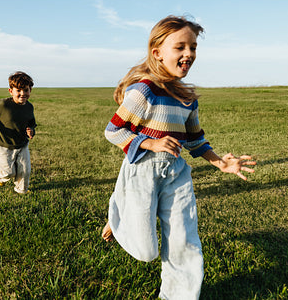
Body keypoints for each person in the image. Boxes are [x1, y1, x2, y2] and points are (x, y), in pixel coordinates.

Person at [101, 16, 255, 299]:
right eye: (180, 47)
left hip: (177, 174)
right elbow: (114, 130)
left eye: (193, 47)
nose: (188, 54)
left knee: (184, 238)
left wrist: (221, 162)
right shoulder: (144, 90)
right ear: (157, 52)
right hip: (141, 171)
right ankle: (119, 213)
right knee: (145, 250)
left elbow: (195, 140)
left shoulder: (188, 98)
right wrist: (149, 142)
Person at [0, 71, 37, 194]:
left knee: (25, 171)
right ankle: (0, 176)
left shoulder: (29, 107)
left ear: (30, 90)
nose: (23, 94)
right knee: (8, 173)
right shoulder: (2, 105)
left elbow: (31, 122)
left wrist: (31, 131)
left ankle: (21, 190)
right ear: (11, 91)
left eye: (26, 90)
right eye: (18, 91)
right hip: (4, 145)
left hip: (22, 144)